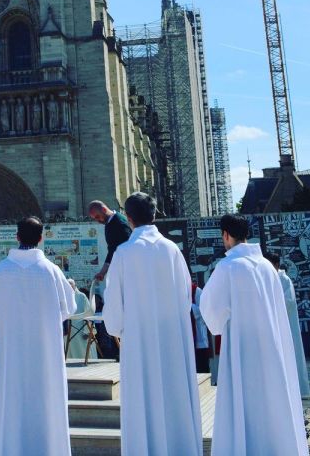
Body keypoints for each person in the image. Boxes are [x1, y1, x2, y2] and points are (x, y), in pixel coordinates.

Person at [102, 192, 202, 456]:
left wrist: (118, 329)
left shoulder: (124, 253)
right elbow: (185, 297)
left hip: (138, 340)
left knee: (142, 400)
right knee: (173, 397)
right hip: (171, 339)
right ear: (155, 215)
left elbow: (112, 304)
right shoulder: (171, 249)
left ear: (129, 218)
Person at [200, 215, 305, 456]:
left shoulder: (228, 267)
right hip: (271, 349)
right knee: (272, 400)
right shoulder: (267, 266)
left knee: (246, 404)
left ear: (226, 235)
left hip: (243, 349)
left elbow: (210, 308)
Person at [0, 216, 74, 455]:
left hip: (11, 348)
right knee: (45, 398)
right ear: (42, 238)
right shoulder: (51, 271)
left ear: (17, 236)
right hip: (45, 351)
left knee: (11, 398)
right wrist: (47, 320)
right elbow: (69, 307)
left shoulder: (0, 270)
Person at [265, 251, 310, 397]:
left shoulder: (284, 280)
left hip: (286, 328)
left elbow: (288, 303)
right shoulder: (269, 279)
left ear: (276, 265)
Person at [88, 200, 131, 283]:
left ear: (104, 210)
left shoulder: (119, 223)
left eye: (97, 216)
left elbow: (125, 248)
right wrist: (102, 272)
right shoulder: (110, 222)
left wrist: (103, 272)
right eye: (94, 219)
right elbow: (112, 249)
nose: (97, 220)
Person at [190, 279, 210, 373]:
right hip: (186, 341)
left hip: (199, 341)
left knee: (202, 372)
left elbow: (205, 311)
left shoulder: (197, 291)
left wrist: (188, 306)